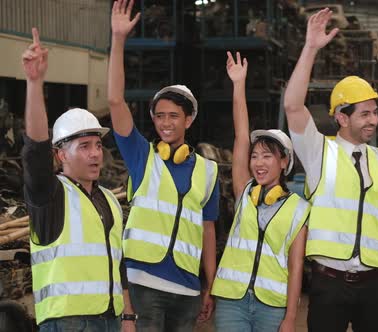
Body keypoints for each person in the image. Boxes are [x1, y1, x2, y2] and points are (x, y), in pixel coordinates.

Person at [283, 8, 378, 331]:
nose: (374, 121)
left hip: (376, 283)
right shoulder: (317, 152)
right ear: (341, 117)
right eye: (365, 114)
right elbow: (293, 106)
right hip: (329, 284)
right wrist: (311, 48)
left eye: (375, 112)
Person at [107, 1, 220, 330]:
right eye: (159, 116)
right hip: (144, 283)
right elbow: (115, 101)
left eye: (173, 116)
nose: (165, 123)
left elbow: (208, 230)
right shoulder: (142, 155)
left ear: (189, 119)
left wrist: (208, 285)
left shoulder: (208, 171)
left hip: (187, 287)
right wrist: (118, 40)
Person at [22, 28, 133, 331]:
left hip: (110, 318)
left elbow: (117, 262)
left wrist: (128, 316)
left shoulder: (109, 199)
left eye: (98, 145)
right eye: (84, 146)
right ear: (60, 155)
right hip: (68, 321)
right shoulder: (50, 195)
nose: (96, 153)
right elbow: (34, 149)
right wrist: (34, 83)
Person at [210, 52, 310, 332]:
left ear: (284, 162)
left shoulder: (299, 209)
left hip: (272, 305)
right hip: (232, 300)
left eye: (268, 156)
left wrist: (291, 317)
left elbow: (296, 266)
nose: (258, 163)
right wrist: (238, 85)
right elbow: (242, 134)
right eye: (255, 156)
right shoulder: (245, 191)